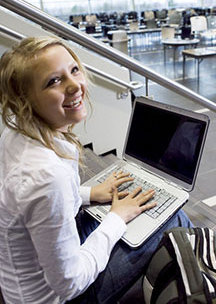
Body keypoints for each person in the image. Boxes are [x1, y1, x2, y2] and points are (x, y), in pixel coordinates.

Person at [0, 36, 192, 304]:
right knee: (175, 216)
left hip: (32, 270)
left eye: (74, 70)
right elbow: (70, 283)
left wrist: (91, 194)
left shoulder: (16, 130)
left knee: (136, 211)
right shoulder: (45, 174)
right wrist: (116, 218)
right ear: (26, 99)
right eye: (53, 81)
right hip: (60, 297)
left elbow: (34, 202)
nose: (74, 86)